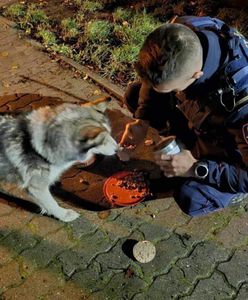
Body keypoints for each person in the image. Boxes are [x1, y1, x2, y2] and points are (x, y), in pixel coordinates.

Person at [118, 16, 248, 216]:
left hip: (231, 142)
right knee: (135, 95)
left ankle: (228, 192)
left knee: (191, 197)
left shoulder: (243, 103)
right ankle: (182, 140)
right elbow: (156, 78)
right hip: (204, 117)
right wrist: (142, 121)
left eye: (175, 88)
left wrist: (197, 168)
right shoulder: (182, 30)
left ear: (197, 75)